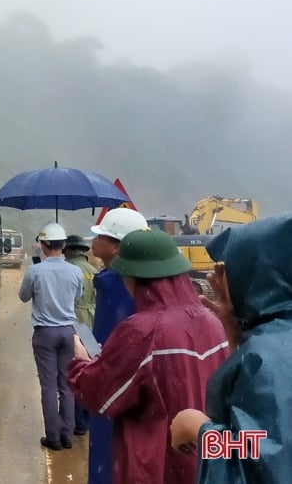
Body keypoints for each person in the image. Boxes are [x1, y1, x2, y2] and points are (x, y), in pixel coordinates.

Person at [68, 228, 228, 484]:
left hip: (161, 468)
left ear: (133, 277)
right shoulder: (214, 322)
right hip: (209, 464)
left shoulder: (141, 330)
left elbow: (98, 394)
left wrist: (81, 361)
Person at [170, 213, 292, 482]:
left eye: (227, 269)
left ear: (253, 274)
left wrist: (198, 428)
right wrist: (237, 333)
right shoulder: (270, 344)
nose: (218, 277)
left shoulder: (262, 360)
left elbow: (262, 461)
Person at [84, 207, 148, 484]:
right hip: (118, 380)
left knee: (109, 454)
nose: (93, 241)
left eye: (101, 237)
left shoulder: (120, 286)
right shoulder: (117, 280)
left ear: (117, 246)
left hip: (115, 382)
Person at [19, 222, 83, 451]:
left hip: (44, 334)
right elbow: (78, 297)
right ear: (64, 245)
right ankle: (67, 436)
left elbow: (23, 297)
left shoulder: (35, 271)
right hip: (68, 332)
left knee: (48, 387)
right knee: (67, 386)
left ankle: (53, 437)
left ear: (43, 246)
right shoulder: (76, 271)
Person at [64, 234, 97, 436]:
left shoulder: (68, 270)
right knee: (90, 368)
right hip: (92, 324)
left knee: (73, 370)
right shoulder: (94, 271)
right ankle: (87, 417)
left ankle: (76, 422)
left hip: (73, 321)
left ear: (68, 250)